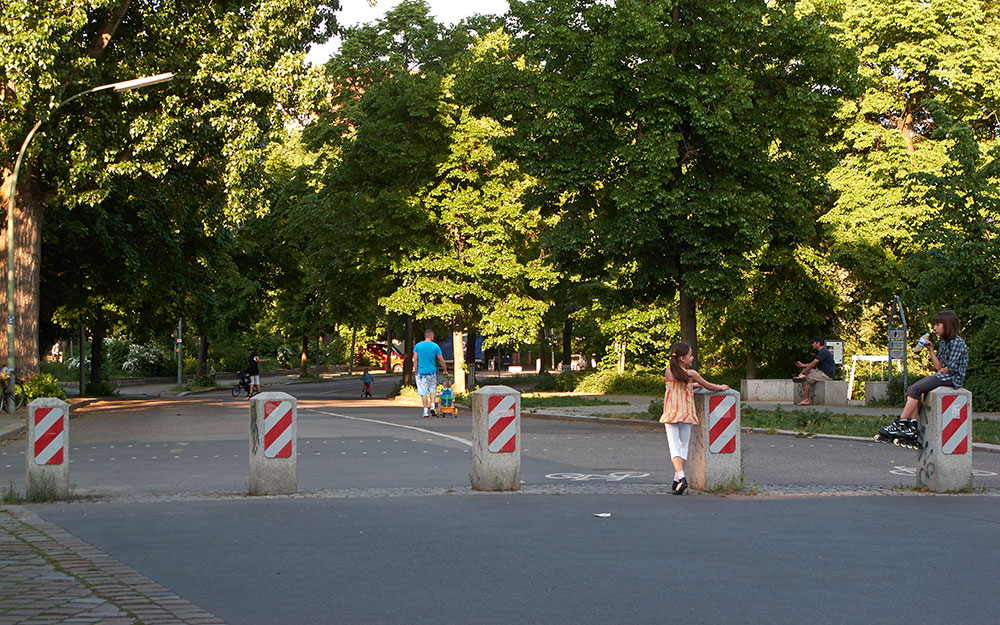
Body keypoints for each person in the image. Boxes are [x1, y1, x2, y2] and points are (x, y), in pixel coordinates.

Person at [878, 310, 969, 444]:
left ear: (948, 325)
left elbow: (951, 368)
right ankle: (912, 425)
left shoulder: (957, 342)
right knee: (913, 389)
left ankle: (900, 423)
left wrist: (942, 370)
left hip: (952, 378)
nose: (935, 328)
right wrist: (931, 350)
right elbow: (939, 366)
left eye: (938, 325)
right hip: (943, 374)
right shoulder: (944, 342)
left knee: (915, 389)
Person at [660, 341, 730, 495]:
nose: (692, 358)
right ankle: (679, 478)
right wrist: (722, 387)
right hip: (685, 412)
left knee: (674, 446)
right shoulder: (691, 374)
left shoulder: (668, 372)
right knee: (684, 445)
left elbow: (677, 386)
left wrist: (694, 386)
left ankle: (680, 478)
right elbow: (709, 386)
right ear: (682, 358)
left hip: (671, 412)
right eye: (690, 356)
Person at [413, 329, 448, 417]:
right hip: (432, 372)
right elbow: (442, 361)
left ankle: (425, 411)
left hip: (422, 373)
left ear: (425, 336)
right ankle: (432, 406)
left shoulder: (418, 346)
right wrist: (445, 370)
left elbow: (415, 360)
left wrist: (416, 371)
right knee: (432, 390)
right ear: (432, 336)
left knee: (423, 392)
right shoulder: (435, 346)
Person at [794, 337, 836, 406]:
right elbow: (812, 364)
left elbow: (813, 364)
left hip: (827, 375)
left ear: (818, 343)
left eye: (813, 343)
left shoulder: (824, 352)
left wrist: (803, 373)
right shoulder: (822, 352)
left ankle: (806, 400)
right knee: (808, 370)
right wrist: (802, 365)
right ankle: (802, 377)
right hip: (821, 372)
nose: (812, 345)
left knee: (806, 378)